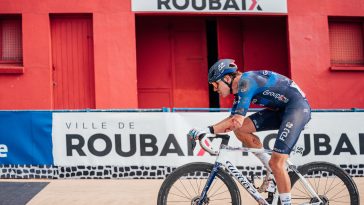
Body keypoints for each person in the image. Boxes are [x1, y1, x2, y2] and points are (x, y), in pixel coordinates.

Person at [188, 59, 311, 205]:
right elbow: (233, 121)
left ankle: (285, 199)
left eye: (215, 84)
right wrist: (207, 130)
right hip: (282, 110)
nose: (214, 89)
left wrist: (206, 130)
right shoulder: (240, 89)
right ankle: (270, 169)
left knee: (277, 162)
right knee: (240, 130)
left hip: (297, 109)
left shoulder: (246, 82)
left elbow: (235, 121)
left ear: (227, 78)